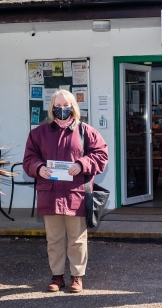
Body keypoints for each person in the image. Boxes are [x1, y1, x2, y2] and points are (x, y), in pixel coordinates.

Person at [22, 89, 108, 293]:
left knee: (77, 238)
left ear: (74, 107)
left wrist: (82, 163)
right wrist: (38, 168)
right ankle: (57, 276)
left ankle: (77, 276)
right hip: (50, 193)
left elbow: (101, 155)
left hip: (75, 193)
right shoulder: (38, 133)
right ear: (52, 108)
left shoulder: (86, 132)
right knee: (54, 238)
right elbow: (28, 160)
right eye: (57, 106)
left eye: (66, 106)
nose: (62, 110)